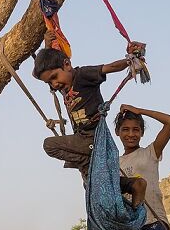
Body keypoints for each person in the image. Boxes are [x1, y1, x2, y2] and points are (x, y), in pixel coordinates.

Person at [32, 44, 147, 207]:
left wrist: (131, 59)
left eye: (54, 77)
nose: (54, 84)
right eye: (49, 82)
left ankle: (85, 159)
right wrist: (46, 41)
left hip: (92, 138)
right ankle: (133, 185)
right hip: (83, 140)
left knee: (49, 145)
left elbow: (110, 67)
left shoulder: (82, 75)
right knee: (91, 187)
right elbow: (39, 69)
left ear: (67, 64)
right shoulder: (64, 86)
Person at [116, 105, 170, 230]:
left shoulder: (151, 152)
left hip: (153, 222)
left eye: (136, 130)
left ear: (142, 132)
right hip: (130, 226)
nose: (131, 134)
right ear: (118, 132)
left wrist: (140, 111)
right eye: (126, 129)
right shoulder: (114, 164)